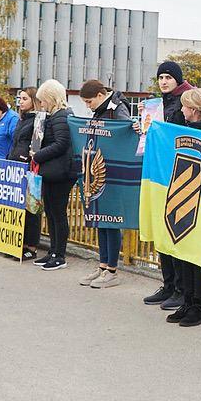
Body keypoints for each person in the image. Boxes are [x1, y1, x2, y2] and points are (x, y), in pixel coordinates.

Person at [166, 87, 201, 327]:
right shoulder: (189, 129)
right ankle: (187, 300)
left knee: (198, 253)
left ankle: (199, 305)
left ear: (195, 110)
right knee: (183, 249)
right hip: (186, 195)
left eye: (184, 107)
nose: (181, 110)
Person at [146, 61, 195, 309]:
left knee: (176, 230)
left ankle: (180, 288)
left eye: (168, 77)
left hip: (180, 172)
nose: (163, 81)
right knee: (163, 231)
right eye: (160, 77)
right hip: (161, 170)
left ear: (177, 79)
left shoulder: (186, 100)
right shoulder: (159, 103)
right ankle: (168, 285)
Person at [75, 79, 131, 289]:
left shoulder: (117, 108)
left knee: (111, 222)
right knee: (100, 220)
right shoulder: (101, 109)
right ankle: (102, 265)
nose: (88, 107)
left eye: (89, 102)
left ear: (101, 95)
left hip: (113, 172)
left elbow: (124, 134)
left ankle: (112, 270)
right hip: (100, 169)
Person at [31, 80, 73, 272]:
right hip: (53, 171)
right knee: (51, 211)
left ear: (50, 98)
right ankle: (53, 251)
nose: (41, 105)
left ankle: (59, 254)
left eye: (42, 101)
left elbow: (61, 143)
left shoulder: (61, 117)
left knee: (57, 213)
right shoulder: (57, 116)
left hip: (60, 173)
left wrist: (38, 155)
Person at [6, 86, 40, 261]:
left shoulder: (37, 120)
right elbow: (16, 141)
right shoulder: (21, 119)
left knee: (31, 208)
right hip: (14, 165)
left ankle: (32, 247)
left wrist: (26, 158)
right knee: (19, 206)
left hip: (28, 166)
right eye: (20, 98)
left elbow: (35, 144)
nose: (21, 101)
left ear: (34, 100)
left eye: (25, 98)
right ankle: (20, 242)